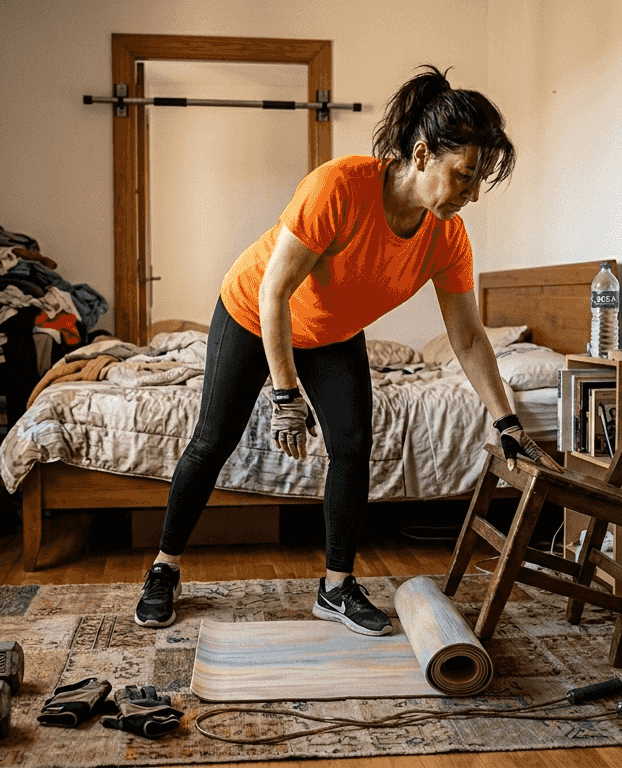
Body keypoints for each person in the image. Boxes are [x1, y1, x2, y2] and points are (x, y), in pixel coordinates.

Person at [133, 65, 561, 636]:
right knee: (214, 440)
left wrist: (507, 422)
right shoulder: (341, 185)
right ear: (422, 152)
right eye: (463, 175)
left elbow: (467, 336)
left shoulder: (446, 236)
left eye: (479, 180)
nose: (471, 193)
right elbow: (275, 291)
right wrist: (285, 393)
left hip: (332, 333)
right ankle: (164, 568)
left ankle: (335, 587)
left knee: (353, 445)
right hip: (254, 311)